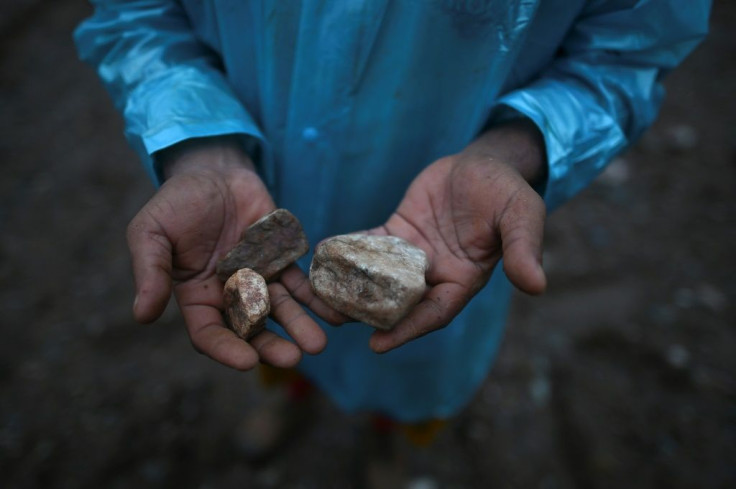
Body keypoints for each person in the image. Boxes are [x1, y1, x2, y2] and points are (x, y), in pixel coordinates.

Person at [74, 1, 710, 424]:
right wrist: (200, 147)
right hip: (256, 184)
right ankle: (296, 399)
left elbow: (629, 50)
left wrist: (517, 150)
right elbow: (137, 15)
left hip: (450, 229)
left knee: (408, 375)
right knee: (284, 345)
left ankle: (391, 439)